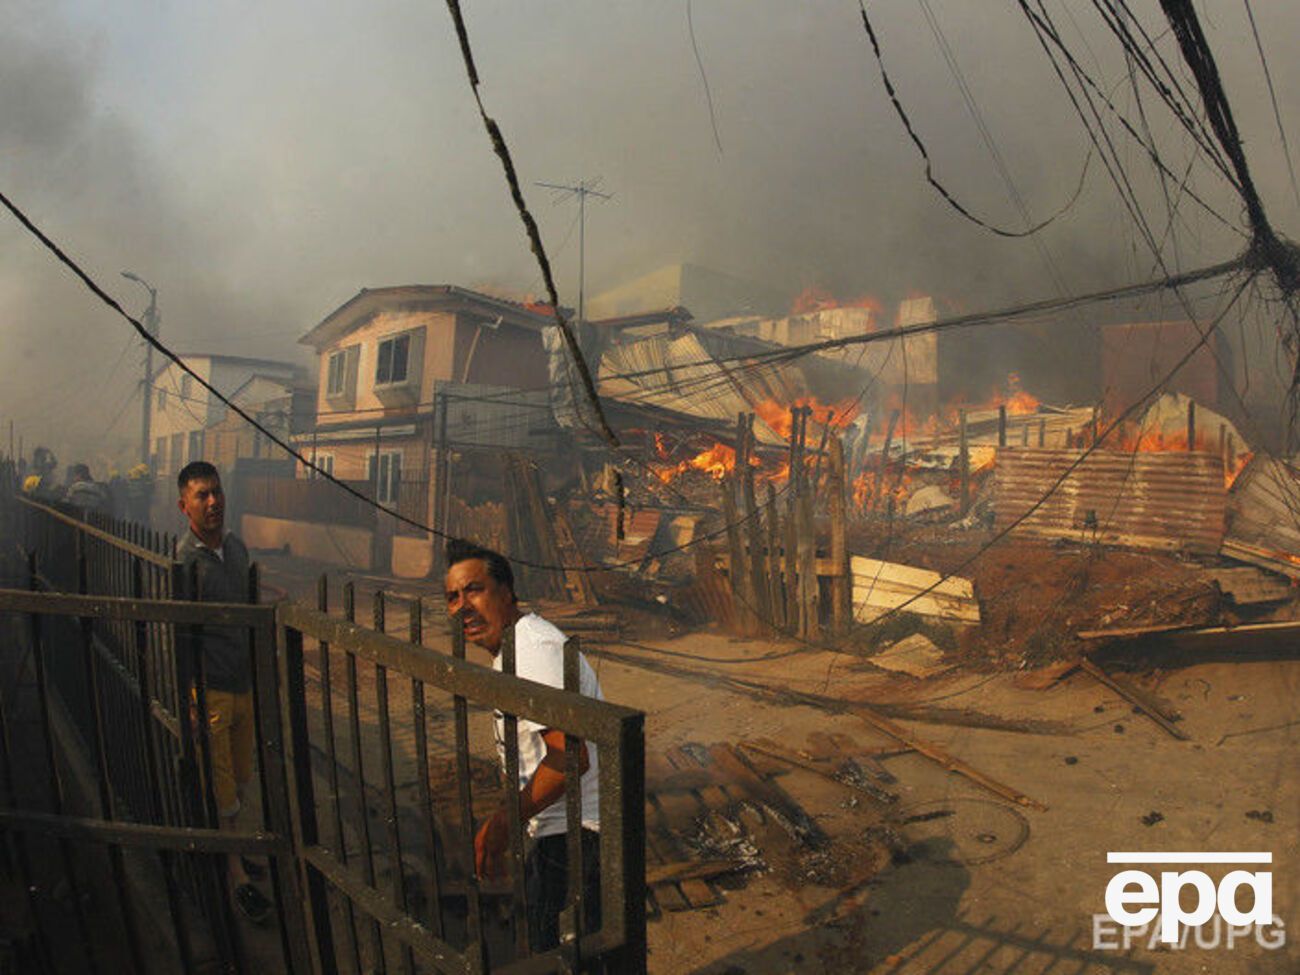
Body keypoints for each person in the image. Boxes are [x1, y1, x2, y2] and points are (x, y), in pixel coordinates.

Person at [443, 539, 604, 952]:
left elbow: (570, 757)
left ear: (507, 592)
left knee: (558, 957)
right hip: (561, 833)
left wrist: (501, 824)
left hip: (575, 839)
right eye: (452, 596)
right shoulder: (515, 647)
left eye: (474, 590)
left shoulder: (531, 650)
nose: (462, 606)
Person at [175, 460, 272, 925]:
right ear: (184, 505)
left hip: (242, 683)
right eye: (202, 496)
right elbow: (182, 636)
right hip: (210, 687)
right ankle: (236, 876)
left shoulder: (235, 548)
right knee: (222, 787)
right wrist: (189, 699)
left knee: (239, 773)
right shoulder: (186, 562)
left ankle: (235, 849)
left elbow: (249, 610)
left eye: (217, 493)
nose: (213, 502)